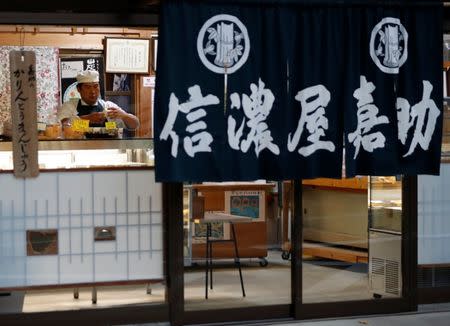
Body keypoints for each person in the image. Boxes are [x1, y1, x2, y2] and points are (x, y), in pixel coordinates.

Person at [57, 70, 139, 129]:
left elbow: (135, 125)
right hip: (77, 150)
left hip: (106, 150)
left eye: (96, 86)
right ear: (79, 89)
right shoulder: (70, 106)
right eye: (88, 87)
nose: (92, 91)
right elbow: (63, 126)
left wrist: (124, 116)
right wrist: (87, 119)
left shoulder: (108, 106)